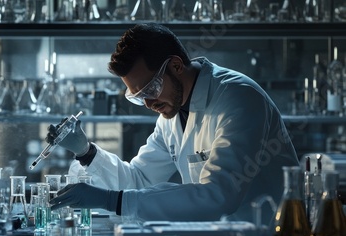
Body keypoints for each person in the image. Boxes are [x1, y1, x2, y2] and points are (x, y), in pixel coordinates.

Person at [48, 23, 299, 224]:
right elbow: (139, 180)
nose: (148, 103)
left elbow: (219, 195)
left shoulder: (238, 97)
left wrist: (113, 201)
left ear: (176, 65)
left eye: (151, 89)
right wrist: (86, 152)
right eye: (139, 97)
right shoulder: (170, 115)